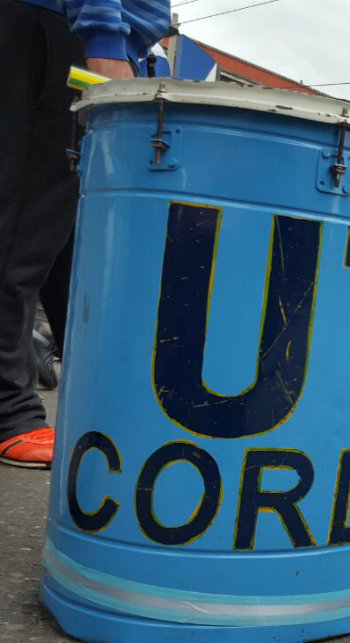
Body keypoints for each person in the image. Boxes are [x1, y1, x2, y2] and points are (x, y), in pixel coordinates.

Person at [0, 0, 170, 468]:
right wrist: (104, 38)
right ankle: (8, 411)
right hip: (63, 27)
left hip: (76, 30)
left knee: (63, 232)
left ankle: (98, 405)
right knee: (22, 227)